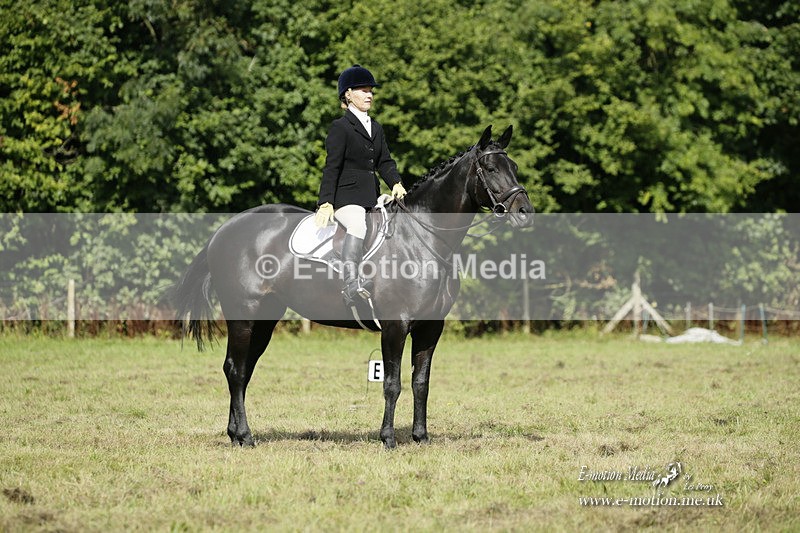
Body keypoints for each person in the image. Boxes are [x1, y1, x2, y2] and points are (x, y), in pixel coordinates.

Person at [314, 65, 406, 305]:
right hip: (346, 198)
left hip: (371, 197)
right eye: (363, 90)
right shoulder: (340, 128)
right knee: (357, 225)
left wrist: (395, 182)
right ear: (348, 95)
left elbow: (384, 161)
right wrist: (326, 201)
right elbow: (331, 167)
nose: (369, 95)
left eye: (371, 91)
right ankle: (350, 284)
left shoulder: (375, 127)